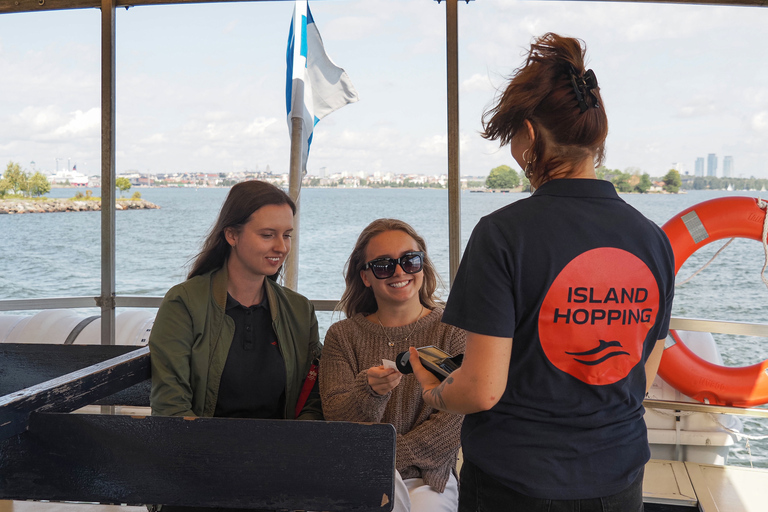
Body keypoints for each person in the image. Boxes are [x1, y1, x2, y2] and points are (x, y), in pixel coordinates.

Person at [408, 33, 675, 511]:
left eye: (512, 136)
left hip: (517, 483)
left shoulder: (504, 235)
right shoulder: (653, 239)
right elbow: (643, 374)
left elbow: (482, 390)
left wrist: (435, 393)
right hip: (619, 482)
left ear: (529, 134)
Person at [319, 219, 466, 512]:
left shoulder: (453, 329)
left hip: (428, 477)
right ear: (365, 277)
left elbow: (458, 417)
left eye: (410, 260)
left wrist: (391, 455)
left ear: (422, 265)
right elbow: (338, 419)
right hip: (359, 474)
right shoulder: (343, 336)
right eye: (384, 265)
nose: (400, 272)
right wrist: (369, 391)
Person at [149, 180, 322, 423]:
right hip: (201, 452)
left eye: (287, 235)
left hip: (281, 454)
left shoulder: (300, 310)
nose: (281, 247)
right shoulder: (184, 303)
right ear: (231, 235)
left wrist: (292, 448)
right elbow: (170, 407)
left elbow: (313, 397)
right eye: (267, 235)